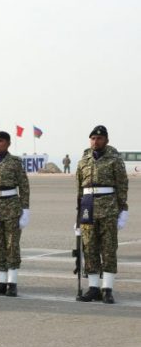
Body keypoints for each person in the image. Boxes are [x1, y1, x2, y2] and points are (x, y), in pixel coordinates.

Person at [76, 125, 128, 304]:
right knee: (89, 248)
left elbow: (122, 185)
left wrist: (123, 210)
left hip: (108, 208)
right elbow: (79, 189)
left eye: (99, 138)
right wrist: (78, 216)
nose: (95, 141)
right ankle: (93, 288)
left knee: (108, 249)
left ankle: (107, 289)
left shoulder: (114, 159)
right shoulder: (83, 160)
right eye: (92, 138)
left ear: (106, 140)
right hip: (87, 208)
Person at [0, 131, 30, 297]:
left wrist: (25, 210)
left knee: (11, 245)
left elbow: (24, 186)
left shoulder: (15, 162)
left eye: (1, 141)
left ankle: (12, 282)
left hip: (11, 206)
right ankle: (2, 281)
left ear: (8, 143)